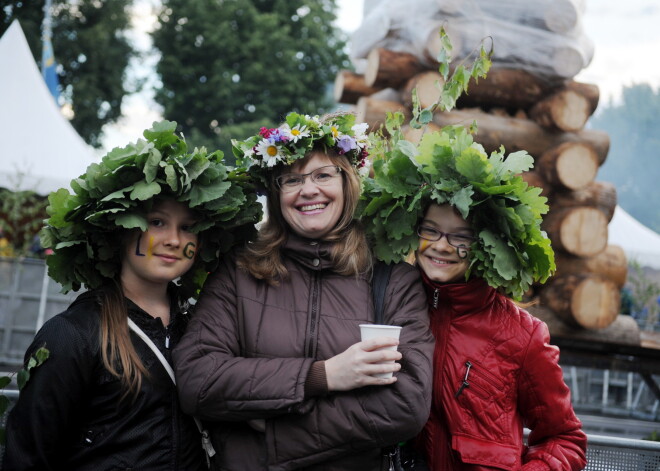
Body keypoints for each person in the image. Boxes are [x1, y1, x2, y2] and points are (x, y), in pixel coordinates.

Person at [173, 112, 435, 470]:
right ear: (276, 194)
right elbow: (197, 380)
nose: (308, 189)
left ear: (348, 182)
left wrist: (273, 430)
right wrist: (324, 375)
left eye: (323, 175)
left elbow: (406, 404)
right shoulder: (240, 270)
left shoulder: (392, 280)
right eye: (291, 179)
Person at [2, 121, 262, 471]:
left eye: (187, 227)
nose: (173, 239)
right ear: (121, 231)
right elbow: (26, 458)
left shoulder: (207, 327)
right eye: (157, 222)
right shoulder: (71, 336)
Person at [361, 123, 588, 470]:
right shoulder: (389, 306)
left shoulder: (521, 336)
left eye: (460, 237)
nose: (440, 246)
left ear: (485, 245)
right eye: (431, 230)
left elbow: (565, 439)